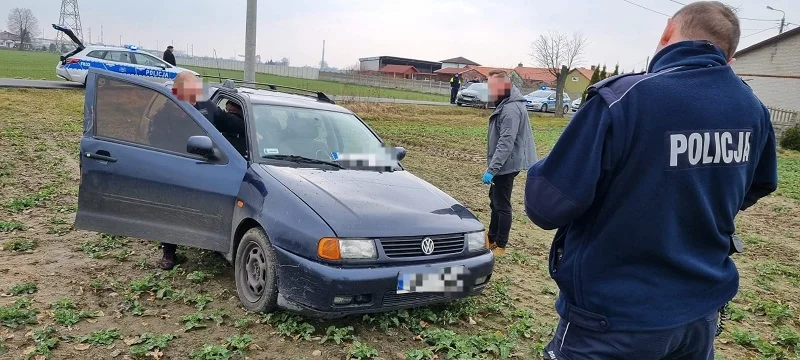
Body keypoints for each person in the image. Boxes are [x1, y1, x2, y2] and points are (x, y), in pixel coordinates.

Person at [524, 2, 778, 359]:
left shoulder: (624, 99)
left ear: (667, 33)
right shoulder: (752, 109)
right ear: (729, 56)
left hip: (613, 319)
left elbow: (545, 205)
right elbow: (760, 182)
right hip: (698, 313)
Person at [158, 71, 247, 270]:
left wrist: (250, 123)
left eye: (194, 90)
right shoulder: (165, 112)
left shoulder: (207, 107)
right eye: (187, 91)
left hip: (206, 167)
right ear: (176, 90)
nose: (193, 95)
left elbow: (231, 124)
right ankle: (168, 252)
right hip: (176, 168)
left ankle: (209, 241)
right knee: (172, 208)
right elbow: (154, 140)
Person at [482, 69, 536, 256]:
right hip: (504, 163)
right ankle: (492, 237)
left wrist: (492, 169)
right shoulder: (505, 103)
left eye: (492, 86)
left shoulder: (511, 109)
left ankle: (501, 245)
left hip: (507, 164)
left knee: (502, 205)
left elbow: (506, 142)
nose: (490, 90)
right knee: (494, 202)